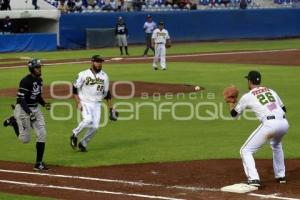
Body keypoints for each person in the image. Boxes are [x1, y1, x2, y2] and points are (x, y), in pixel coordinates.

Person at [227, 70, 289, 187]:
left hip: (270, 124)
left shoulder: (248, 96)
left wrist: (230, 103)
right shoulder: (271, 91)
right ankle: (281, 176)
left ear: (249, 81)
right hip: (284, 123)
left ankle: (254, 179)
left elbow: (234, 114)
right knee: (276, 144)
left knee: (245, 150)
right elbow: (283, 109)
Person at [3, 59, 51, 171]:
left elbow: (37, 96)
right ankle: (14, 122)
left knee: (42, 133)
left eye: (40, 67)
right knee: (25, 139)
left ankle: (38, 163)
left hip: (36, 109)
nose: (39, 69)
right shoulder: (25, 81)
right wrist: (29, 113)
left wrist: (44, 104)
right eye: (37, 67)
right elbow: (20, 99)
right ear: (32, 69)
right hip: (23, 110)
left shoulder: (39, 80)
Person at [70, 55, 118, 152]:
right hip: (85, 102)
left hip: (97, 104)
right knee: (87, 120)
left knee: (95, 127)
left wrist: (111, 108)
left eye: (100, 62)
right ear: (92, 62)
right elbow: (74, 88)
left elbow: (107, 93)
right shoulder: (83, 74)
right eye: (97, 62)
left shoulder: (104, 76)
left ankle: (83, 143)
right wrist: (78, 102)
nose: (99, 64)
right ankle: (74, 134)